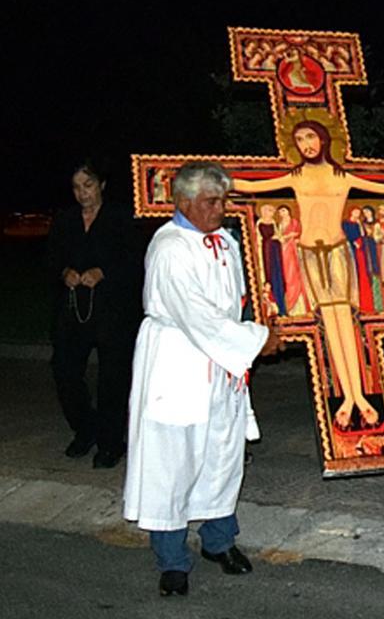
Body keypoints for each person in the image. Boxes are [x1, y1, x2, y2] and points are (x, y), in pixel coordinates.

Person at [123, 162, 283, 597]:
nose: (221, 208)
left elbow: (235, 302)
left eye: (223, 199)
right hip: (179, 362)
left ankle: (219, 540)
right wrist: (257, 339)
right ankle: (172, 559)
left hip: (221, 365)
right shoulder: (170, 247)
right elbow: (196, 314)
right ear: (184, 202)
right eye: (212, 201)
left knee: (222, 453)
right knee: (173, 462)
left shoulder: (225, 243)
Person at [232, 120, 384, 431]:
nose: (306, 144)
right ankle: (350, 398)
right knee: (330, 323)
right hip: (309, 253)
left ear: (323, 139)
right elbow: (253, 187)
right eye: (299, 139)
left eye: (310, 136)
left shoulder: (342, 176)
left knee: (345, 322)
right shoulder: (297, 176)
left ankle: (358, 396)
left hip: (337, 251)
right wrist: (209, 177)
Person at [47, 161, 140, 469]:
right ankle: (85, 430)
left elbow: (135, 260)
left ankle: (111, 443)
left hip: (113, 310)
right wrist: (65, 273)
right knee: (64, 370)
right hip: (75, 308)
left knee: (112, 378)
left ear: (101, 184)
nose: (82, 193)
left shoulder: (120, 217)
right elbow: (51, 258)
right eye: (76, 187)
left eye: (87, 185)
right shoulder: (65, 219)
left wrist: (104, 272)